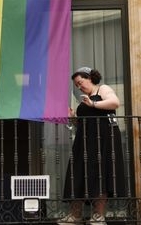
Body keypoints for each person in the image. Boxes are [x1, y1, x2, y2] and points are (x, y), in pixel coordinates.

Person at [59, 67, 127, 225]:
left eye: (80, 82)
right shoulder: (85, 99)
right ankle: (75, 215)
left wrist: (93, 104)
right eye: (76, 85)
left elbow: (115, 103)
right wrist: (72, 118)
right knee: (78, 173)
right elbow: (81, 124)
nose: (79, 87)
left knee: (100, 174)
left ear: (90, 78)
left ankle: (98, 216)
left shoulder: (103, 89)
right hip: (84, 141)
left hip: (103, 139)